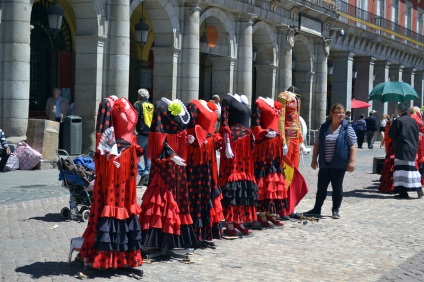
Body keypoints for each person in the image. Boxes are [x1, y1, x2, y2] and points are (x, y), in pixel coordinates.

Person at [79, 96, 144, 273]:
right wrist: (109, 156)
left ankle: (125, 257)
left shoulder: (128, 102)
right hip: (114, 162)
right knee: (112, 202)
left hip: (129, 160)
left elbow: (132, 133)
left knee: (126, 205)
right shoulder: (107, 103)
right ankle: (104, 257)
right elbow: (102, 133)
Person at [139, 97, 198, 249]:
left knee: (178, 194)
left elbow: (180, 130)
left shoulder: (178, 105)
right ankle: (157, 239)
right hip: (165, 162)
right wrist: (171, 156)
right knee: (163, 194)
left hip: (178, 161)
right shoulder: (160, 106)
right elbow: (158, 138)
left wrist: (187, 139)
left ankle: (175, 239)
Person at [304, 103, 357, 219]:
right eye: (338, 112)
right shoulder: (323, 128)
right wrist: (314, 160)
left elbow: (352, 146)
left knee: (337, 188)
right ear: (332, 114)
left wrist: (352, 162)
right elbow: (317, 145)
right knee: (321, 188)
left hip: (339, 164)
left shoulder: (347, 128)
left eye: (342, 112)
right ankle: (317, 209)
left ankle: (335, 210)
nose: (341, 114)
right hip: (325, 163)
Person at [219, 93, 259, 235]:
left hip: (246, 144)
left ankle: (238, 219)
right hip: (235, 143)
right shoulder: (227, 99)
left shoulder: (240, 101)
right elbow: (224, 124)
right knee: (233, 178)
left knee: (244, 180)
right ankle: (229, 222)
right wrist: (227, 144)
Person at [186, 99, 224, 242]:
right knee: (198, 186)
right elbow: (189, 127)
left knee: (209, 185)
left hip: (209, 153)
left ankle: (207, 230)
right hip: (198, 152)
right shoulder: (194, 105)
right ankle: (194, 229)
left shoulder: (209, 105)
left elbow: (212, 128)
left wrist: (215, 137)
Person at [252, 97, 286, 227]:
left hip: (276, 145)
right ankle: (261, 214)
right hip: (264, 146)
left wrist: (282, 142)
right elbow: (255, 125)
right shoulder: (259, 103)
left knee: (274, 178)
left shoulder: (274, 104)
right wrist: (264, 132)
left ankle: (270, 212)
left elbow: (278, 125)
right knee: (264, 177)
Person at [389, 103, 422, 199]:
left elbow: (391, 134)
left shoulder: (398, 121)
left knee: (401, 170)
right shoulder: (413, 121)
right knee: (411, 169)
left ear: (399, 110)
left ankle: (403, 191)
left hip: (402, 148)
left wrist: (392, 125)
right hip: (412, 148)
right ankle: (418, 189)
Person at [134, 88, 154, 186]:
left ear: (139, 96)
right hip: (150, 133)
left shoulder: (137, 104)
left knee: (133, 154)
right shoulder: (151, 105)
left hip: (141, 133)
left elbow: (135, 117)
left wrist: (133, 130)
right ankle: (147, 174)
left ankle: (142, 173)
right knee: (147, 156)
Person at [410, 107, 424, 186]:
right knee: (420, 161)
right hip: (420, 142)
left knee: (418, 161)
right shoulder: (418, 118)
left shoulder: (413, 117)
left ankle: (417, 179)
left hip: (417, 142)